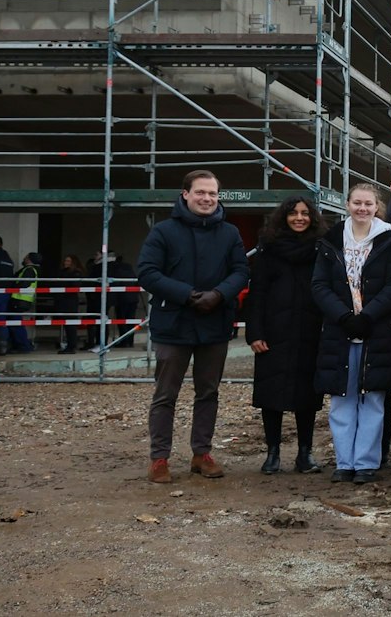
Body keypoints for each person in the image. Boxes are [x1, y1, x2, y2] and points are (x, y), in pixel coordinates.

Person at [136, 169, 249, 484]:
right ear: (185, 194)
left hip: (215, 323)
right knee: (165, 395)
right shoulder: (163, 232)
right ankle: (159, 458)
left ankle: (202, 454)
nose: (207, 199)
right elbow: (147, 272)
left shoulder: (229, 233)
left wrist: (219, 294)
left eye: (212, 193)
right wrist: (187, 295)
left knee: (208, 393)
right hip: (173, 324)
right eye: (200, 192)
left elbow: (241, 271)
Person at [313, 181, 391, 484]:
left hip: (375, 331)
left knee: (372, 399)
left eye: (368, 203)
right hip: (339, 330)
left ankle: (366, 463)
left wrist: (368, 315)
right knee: (342, 398)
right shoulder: (330, 240)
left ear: (376, 207)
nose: (362, 208)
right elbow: (319, 285)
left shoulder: (388, 240)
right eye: (357, 203)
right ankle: (344, 462)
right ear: (347, 204)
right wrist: (343, 316)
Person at [245, 193, 327, 474]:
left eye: (304, 213)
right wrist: (255, 332)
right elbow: (257, 293)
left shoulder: (321, 249)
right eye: (293, 213)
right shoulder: (268, 249)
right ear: (284, 217)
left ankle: (305, 453)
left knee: (307, 397)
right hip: (273, 333)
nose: (299, 218)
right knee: (271, 395)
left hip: (310, 331)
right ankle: (273, 453)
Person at [56, 253, 95, 353]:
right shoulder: (63, 271)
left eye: (68, 261)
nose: (66, 263)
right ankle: (70, 345)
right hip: (63, 299)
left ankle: (71, 346)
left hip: (70, 300)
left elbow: (75, 285)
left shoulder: (76, 273)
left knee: (70, 324)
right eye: (65, 261)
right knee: (66, 324)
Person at [5, 252, 39, 355]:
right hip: (21, 300)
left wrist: (12, 287)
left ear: (29, 259)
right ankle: (22, 345)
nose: (24, 258)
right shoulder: (30, 270)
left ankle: (24, 346)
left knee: (16, 324)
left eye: (26, 257)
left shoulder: (29, 270)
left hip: (19, 300)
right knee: (15, 323)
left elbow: (23, 284)